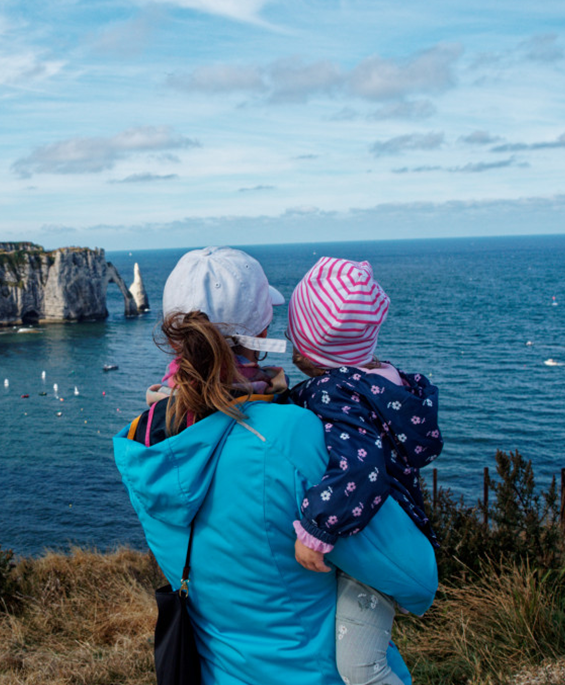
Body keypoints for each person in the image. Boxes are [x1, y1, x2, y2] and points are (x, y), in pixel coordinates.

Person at [113, 247, 437, 685]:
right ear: (263, 329)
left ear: (177, 338)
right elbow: (416, 577)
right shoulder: (292, 435)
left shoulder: (143, 439)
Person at [286, 256, 442, 685]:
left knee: (361, 670)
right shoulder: (382, 383)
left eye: (291, 333)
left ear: (306, 350)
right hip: (403, 528)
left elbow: (360, 468)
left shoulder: (336, 396)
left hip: (371, 538)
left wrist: (317, 529)